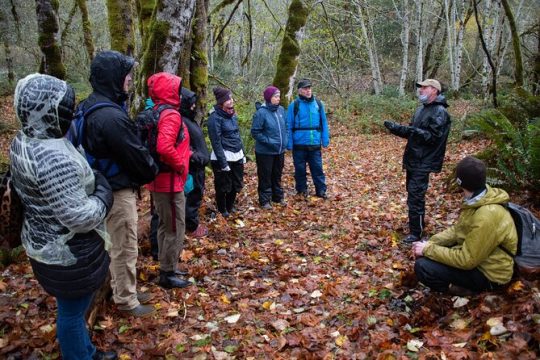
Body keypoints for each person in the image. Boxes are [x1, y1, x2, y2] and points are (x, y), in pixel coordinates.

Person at [10, 74, 116, 360]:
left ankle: (86, 351)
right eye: (66, 109)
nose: (70, 114)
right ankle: (79, 356)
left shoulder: (25, 140)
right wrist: (104, 195)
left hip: (43, 241)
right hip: (67, 251)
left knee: (71, 307)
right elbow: (79, 217)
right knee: (71, 312)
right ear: (49, 111)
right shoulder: (53, 157)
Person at [81, 50, 159, 317]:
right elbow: (137, 157)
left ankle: (125, 290)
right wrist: (151, 168)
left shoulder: (89, 106)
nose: (129, 80)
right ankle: (126, 300)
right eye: (126, 75)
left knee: (115, 244)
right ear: (113, 77)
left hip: (98, 189)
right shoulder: (110, 117)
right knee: (124, 245)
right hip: (115, 191)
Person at [413, 156, 518, 296]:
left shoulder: (486, 215)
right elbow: (459, 230)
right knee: (430, 254)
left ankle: (466, 292)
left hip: (491, 274)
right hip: (480, 260)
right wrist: (430, 242)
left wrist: (428, 250)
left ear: (461, 182)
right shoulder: (480, 198)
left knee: (423, 267)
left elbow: (467, 259)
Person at [384, 79, 451, 243]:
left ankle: (416, 233)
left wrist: (411, 130)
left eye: (424, 87)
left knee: (415, 196)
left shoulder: (440, 112)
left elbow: (432, 138)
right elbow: (412, 134)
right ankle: (415, 226)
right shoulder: (421, 109)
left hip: (424, 162)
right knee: (412, 195)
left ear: (434, 90)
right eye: (420, 87)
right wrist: (396, 128)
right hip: (413, 160)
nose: (420, 90)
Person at [145, 72, 191, 289]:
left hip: (159, 180)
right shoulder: (170, 115)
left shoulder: (155, 111)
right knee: (175, 226)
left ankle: (168, 266)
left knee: (165, 224)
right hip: (170, 182)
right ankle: (167, 273)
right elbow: (164, 147)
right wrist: (181, 164)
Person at [286, 79, 330, 199]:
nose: (308, 90)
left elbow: (324, 122)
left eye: (309, 88)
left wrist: (325, 139)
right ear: (299, 91)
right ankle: (301, 190)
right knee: (299, 170)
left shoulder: (318, 104)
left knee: (317, 168)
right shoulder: (293, 105)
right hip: (299, 144)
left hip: (314, 143)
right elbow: (288, 125)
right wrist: (289, 143)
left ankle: (321, 190)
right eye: (305, 88)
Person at [207, 87, 245, 217]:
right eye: (228, 99)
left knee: (235, 184)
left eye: (231, 98)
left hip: (237, 154)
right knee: (223, 186)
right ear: (221, 101)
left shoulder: (232, 114)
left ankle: (230, 206)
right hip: (222, 157)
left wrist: (242, 153)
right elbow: (216, 141)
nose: (231, 101)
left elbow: (237, 135)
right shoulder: (214, 118)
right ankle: (222, 209)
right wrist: (223, 163)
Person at [251, 85, 287, 209]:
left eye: (279, 96)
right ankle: (265, 200)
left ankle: (277, 197)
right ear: (268, 98)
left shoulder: (281, 110)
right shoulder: (261, 113)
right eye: (275, 96)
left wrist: (285, 141)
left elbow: (285, 127)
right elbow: (255, 132)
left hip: (279, 150)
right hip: (265, 151)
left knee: (277, 175)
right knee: (265, 176)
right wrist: (269, 141)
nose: (278, 99)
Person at [181, 87, 210, 236]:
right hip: (192, 167)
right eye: (191, 104)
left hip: (198, 165)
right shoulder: (181, 121)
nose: (194, 106)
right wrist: (194, 156)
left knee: (196, 194)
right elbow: (182, 144)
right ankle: (191, 227)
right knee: (192, 196)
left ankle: (192, 223)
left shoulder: (189, 119)